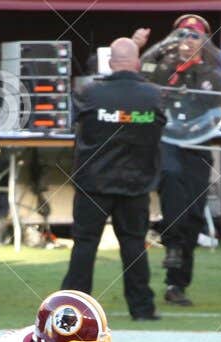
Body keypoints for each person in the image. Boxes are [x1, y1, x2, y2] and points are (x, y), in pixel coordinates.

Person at [59, 38, 163, 322]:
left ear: (110, 62)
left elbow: (69, 122)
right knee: (133, 245)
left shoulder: (91, 93)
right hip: (135, 184)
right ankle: (142, 308)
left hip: (94, 183)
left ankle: (72, 309)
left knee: (85, 244)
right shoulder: (152, 96)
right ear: (137, 62)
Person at [153, 15, 220, 308]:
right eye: (183, 35)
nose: (188, 42)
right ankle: (172, 242)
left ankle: (177, 283)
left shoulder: (214, 74)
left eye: (194, 36)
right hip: (167, 142)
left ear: (204, 41)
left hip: (198, 145)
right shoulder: (161, 69)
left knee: (193, 213)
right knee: (170, 178)